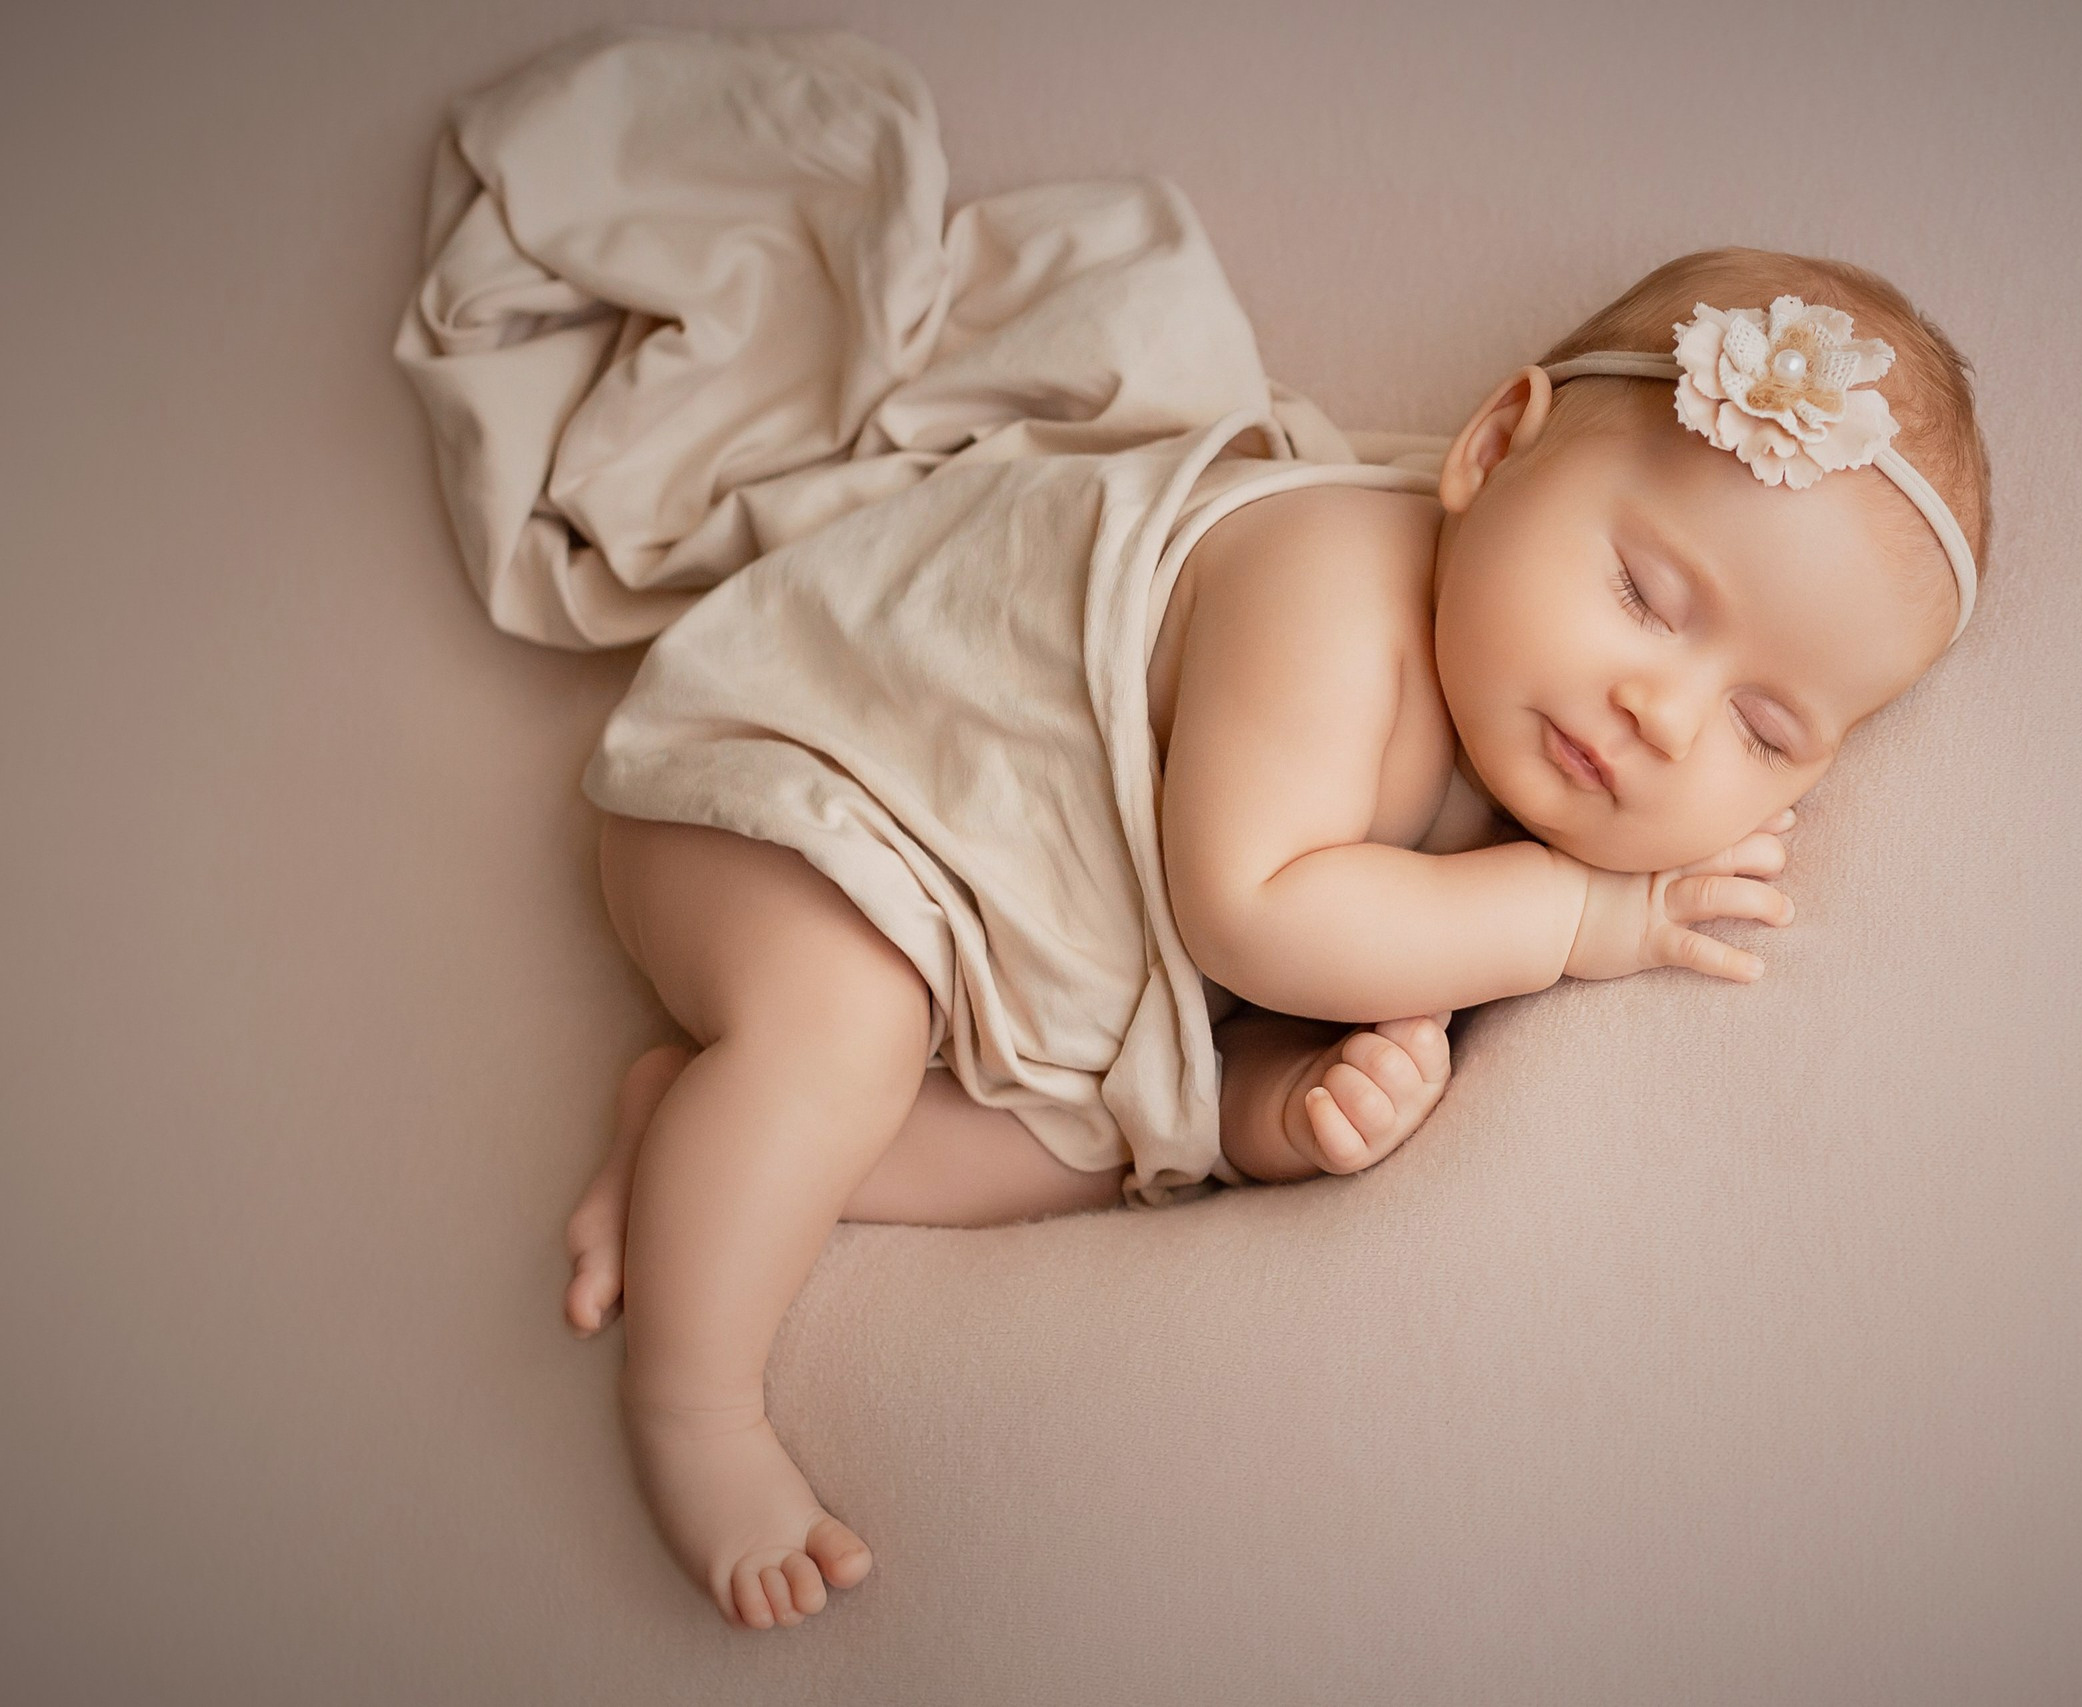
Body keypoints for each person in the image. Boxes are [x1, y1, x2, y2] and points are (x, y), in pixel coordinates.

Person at [558, 246, 1993, 1629]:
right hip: (793, 791)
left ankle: (706, 1132)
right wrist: (1580, 916)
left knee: (1090, 1154)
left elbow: (1215, 1014)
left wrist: (1272, 1110)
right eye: (1644, 597)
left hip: (981, 907)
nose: (1661, 715)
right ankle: (695, 1403)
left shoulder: (1522, 753)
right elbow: (1249, 917)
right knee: (846, 1027)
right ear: (1494, 451)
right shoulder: (1329, 582)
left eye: (1762, 728)